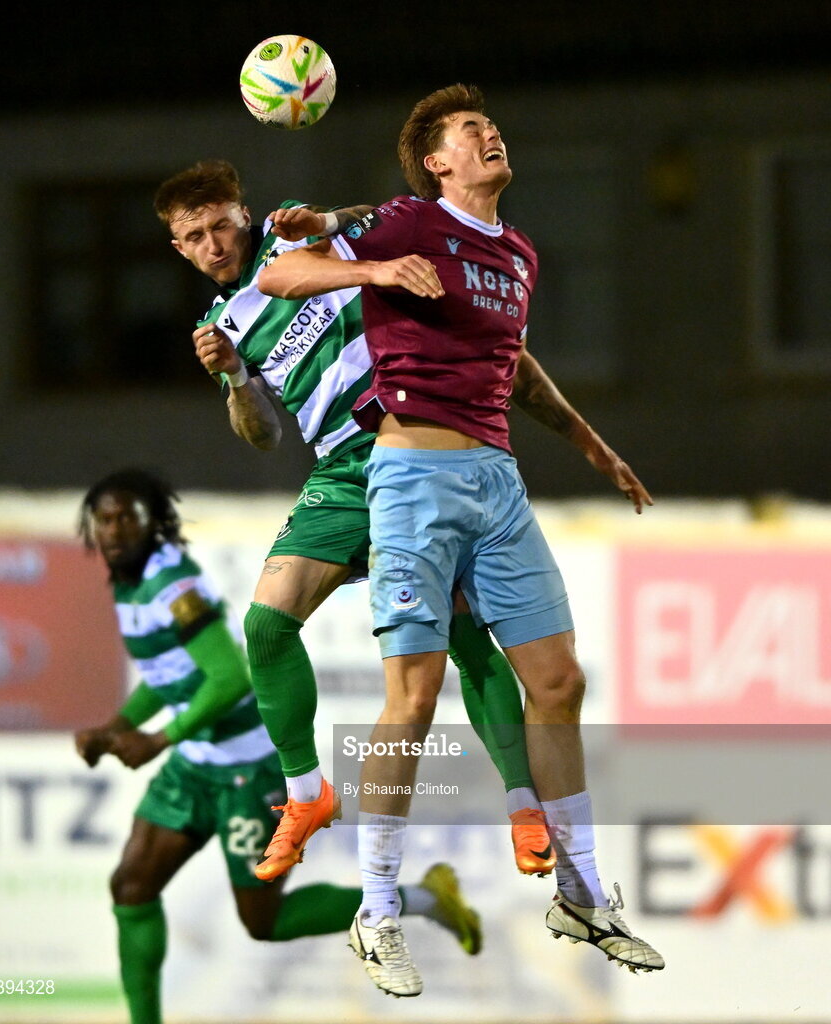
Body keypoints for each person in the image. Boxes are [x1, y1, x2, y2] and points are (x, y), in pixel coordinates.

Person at [257, 84, 665, 996]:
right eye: (469, 131)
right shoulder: (408, 221)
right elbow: (279, 276)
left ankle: (584, 889)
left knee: (558, 682)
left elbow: (513, 363)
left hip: (497, 481)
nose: (490, 135)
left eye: (493, 126)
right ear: (437, 162)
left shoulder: (516, 252)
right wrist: (373, 272)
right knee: (415, 695)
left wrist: (592, 443)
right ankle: (377, 910)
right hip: (410, 479)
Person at [152, 160, 558, 889]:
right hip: (341, 472)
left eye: (220, 224)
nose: (213, 243)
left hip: (414, 445)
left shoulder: (291, 233)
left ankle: (526, 806)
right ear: (179, 250)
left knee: (464, 634)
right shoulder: (220, 327)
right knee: (266, 626)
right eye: (194, 237)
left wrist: (342, 231)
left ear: (243, 215)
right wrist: (237, 377)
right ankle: (308, 797)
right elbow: (262, 435)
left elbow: (377, 217)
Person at [73, 467, 483, 1024]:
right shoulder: (127, 582)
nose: (115, 529)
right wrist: (118, 724)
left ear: (155, 525)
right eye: (104, 519)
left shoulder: (174, 587)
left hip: (246, 771)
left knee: (263, 923)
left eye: (128, 517)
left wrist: (156, 739)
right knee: (131, 886)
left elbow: (230, 679)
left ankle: (429, 899)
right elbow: (171, 673)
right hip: (196, 767)